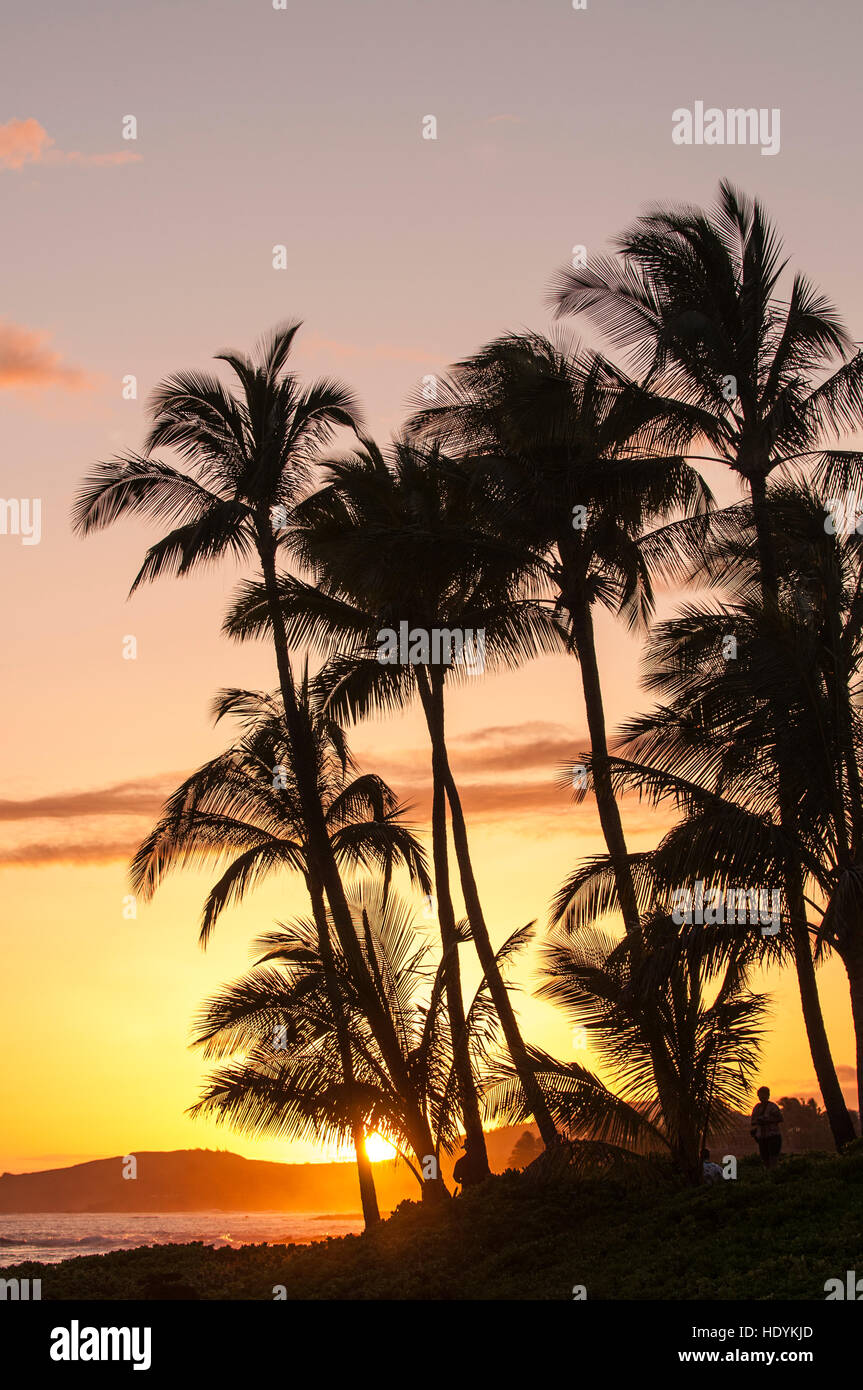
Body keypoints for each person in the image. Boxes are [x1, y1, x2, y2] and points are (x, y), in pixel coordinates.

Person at [750, 1086, 783, 1168]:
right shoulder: (757, 1107)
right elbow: (753, 1121)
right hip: (762, 1137)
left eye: (763, 1095)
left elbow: (779, 1118)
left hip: (773, 1136)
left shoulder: (772, 1107)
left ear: (767, 1095)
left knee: (773, 1159)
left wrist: (767, 1120)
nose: (761, 1097)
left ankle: (773, 1176)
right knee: (765, 1160)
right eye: (759, 1095)